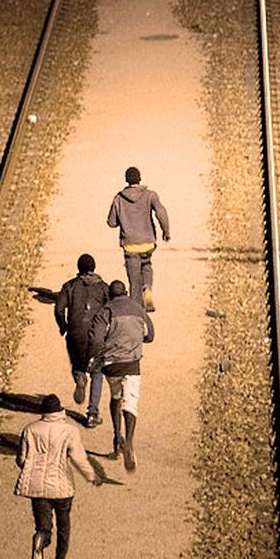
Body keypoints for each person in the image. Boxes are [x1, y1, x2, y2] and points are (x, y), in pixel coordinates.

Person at [15, 394, 101, 559]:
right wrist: (91, 475)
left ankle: (41, 538)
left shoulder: (30, 429)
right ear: (60, 410)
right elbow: (78, 458)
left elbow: (21, 460)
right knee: (64, 527)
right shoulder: (69, 431)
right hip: (62, 488)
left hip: (37, 487)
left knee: (43, 525)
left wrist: (32, 471)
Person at [88, 280, 154, 472]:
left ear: (110, 294)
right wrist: (135, 339)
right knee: (131, 402)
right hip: (132, 362)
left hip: (111, 365)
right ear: (125, 292)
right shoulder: (138, 309)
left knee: (116, 397)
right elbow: (150, 336)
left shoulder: (105, 311)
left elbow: (96, 339)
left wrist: (97, 355)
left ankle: (117, 437)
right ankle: (130, 442)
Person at [54, 253, 109, 427]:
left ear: (79, 268)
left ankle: (79, 376)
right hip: (96, 335)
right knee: (97, 372)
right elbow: (111, 308)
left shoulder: (69, 286)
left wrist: (63, 326)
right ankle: (92, 413)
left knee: (78, 363)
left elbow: (58, 309)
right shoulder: (103, 288)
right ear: (94, 268)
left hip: (75, 334)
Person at [106, 166, 169, 312]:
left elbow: (111, 223)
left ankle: (135, 309)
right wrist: (166, 231)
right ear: (140, 179)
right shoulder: (150, 195)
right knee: (146, 265)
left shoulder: (119, 199)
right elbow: (161, 212)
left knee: (134, 278)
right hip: (147, 243)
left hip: (130, 245)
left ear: (126, 180)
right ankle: (147, 288)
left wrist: (123, 218)